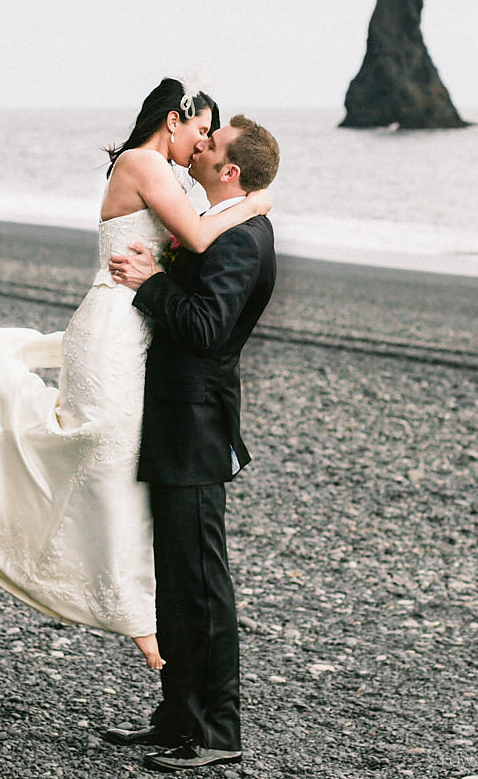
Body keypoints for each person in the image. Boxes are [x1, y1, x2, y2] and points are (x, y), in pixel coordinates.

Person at [0, 78, 270, 671]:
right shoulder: (143, 163)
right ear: (174, 119)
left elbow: (183, 247)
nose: (201, 145)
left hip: (137, 325)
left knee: (116, 467)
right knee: (102, 459)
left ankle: (140, 612)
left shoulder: (167, 174)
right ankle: (137, 620)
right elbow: (201, 236)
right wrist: (254, 204)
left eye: (210, 139)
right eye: (200, 131)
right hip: (115, 329)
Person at [104, 114, 280, 771]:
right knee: (177, 583)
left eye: (212, 144)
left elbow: (206, 327)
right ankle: (177, 716)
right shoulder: (226, 225)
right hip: (176, 422)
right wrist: (161, 271)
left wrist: (148, 283)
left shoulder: (240, 240)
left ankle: (219, 732)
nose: (199, 145)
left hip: (197, 427)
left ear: (229, 172)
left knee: (202, 584)